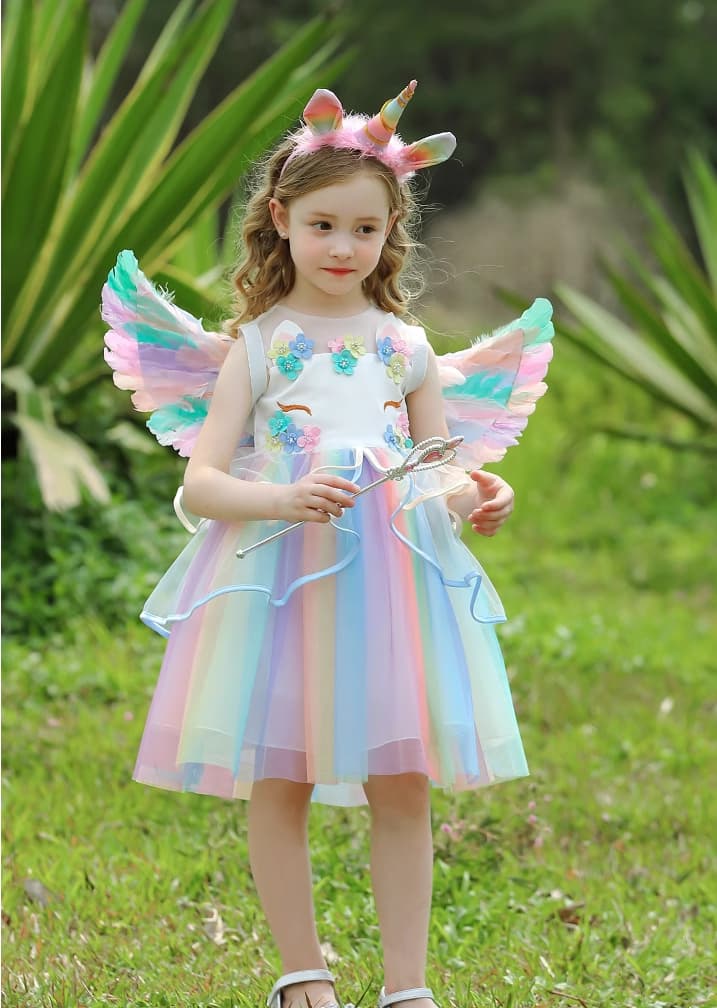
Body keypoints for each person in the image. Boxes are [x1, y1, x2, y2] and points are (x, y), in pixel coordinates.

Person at [102, 80, 553, 1008]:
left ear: (391, 234)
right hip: (283, 585)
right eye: (323, 226)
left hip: (392, 591)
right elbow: (202, 483)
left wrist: (476, 494)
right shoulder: (260, 346)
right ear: (280, 219)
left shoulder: (405, 348)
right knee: (284, 775)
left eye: (364, 229)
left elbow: (434, 468)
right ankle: (301, 973)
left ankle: (406, 986)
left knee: (402, 779)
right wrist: (282, 495)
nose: (343, 247)